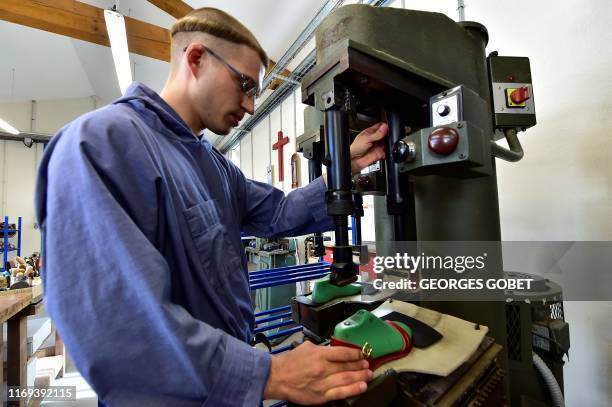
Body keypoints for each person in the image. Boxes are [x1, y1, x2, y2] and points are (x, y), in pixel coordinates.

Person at [35, 7, 388, 406]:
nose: (252, 106)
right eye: (244, 85)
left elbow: (278, 214)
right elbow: (118, 329)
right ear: (196, 58)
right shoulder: (100, 144)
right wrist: (272, 372)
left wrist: (345, 168)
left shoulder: (215, 166)